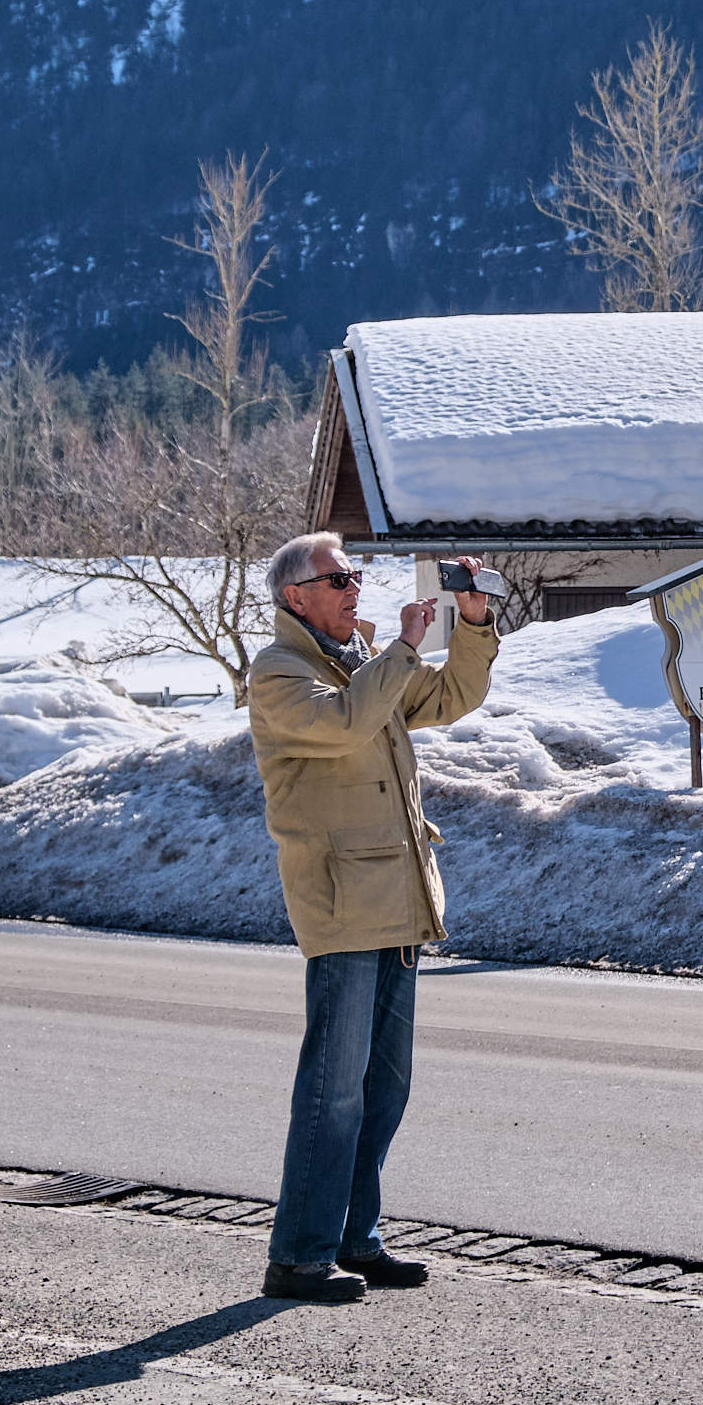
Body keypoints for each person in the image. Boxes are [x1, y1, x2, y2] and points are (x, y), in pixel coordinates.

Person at [250, 532, 499, 1302]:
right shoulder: (280, 672)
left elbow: (451, 699)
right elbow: (346, 725)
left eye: (355, 576)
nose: (354, 587)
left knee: (384, 1088)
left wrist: (474, 622)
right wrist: (398, 647)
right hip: (341, 903)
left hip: (398, 899)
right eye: (338, 579)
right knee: (334, 1089)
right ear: (297, 595)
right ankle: (297, 1256)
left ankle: (356, 1240)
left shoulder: (359, 662)